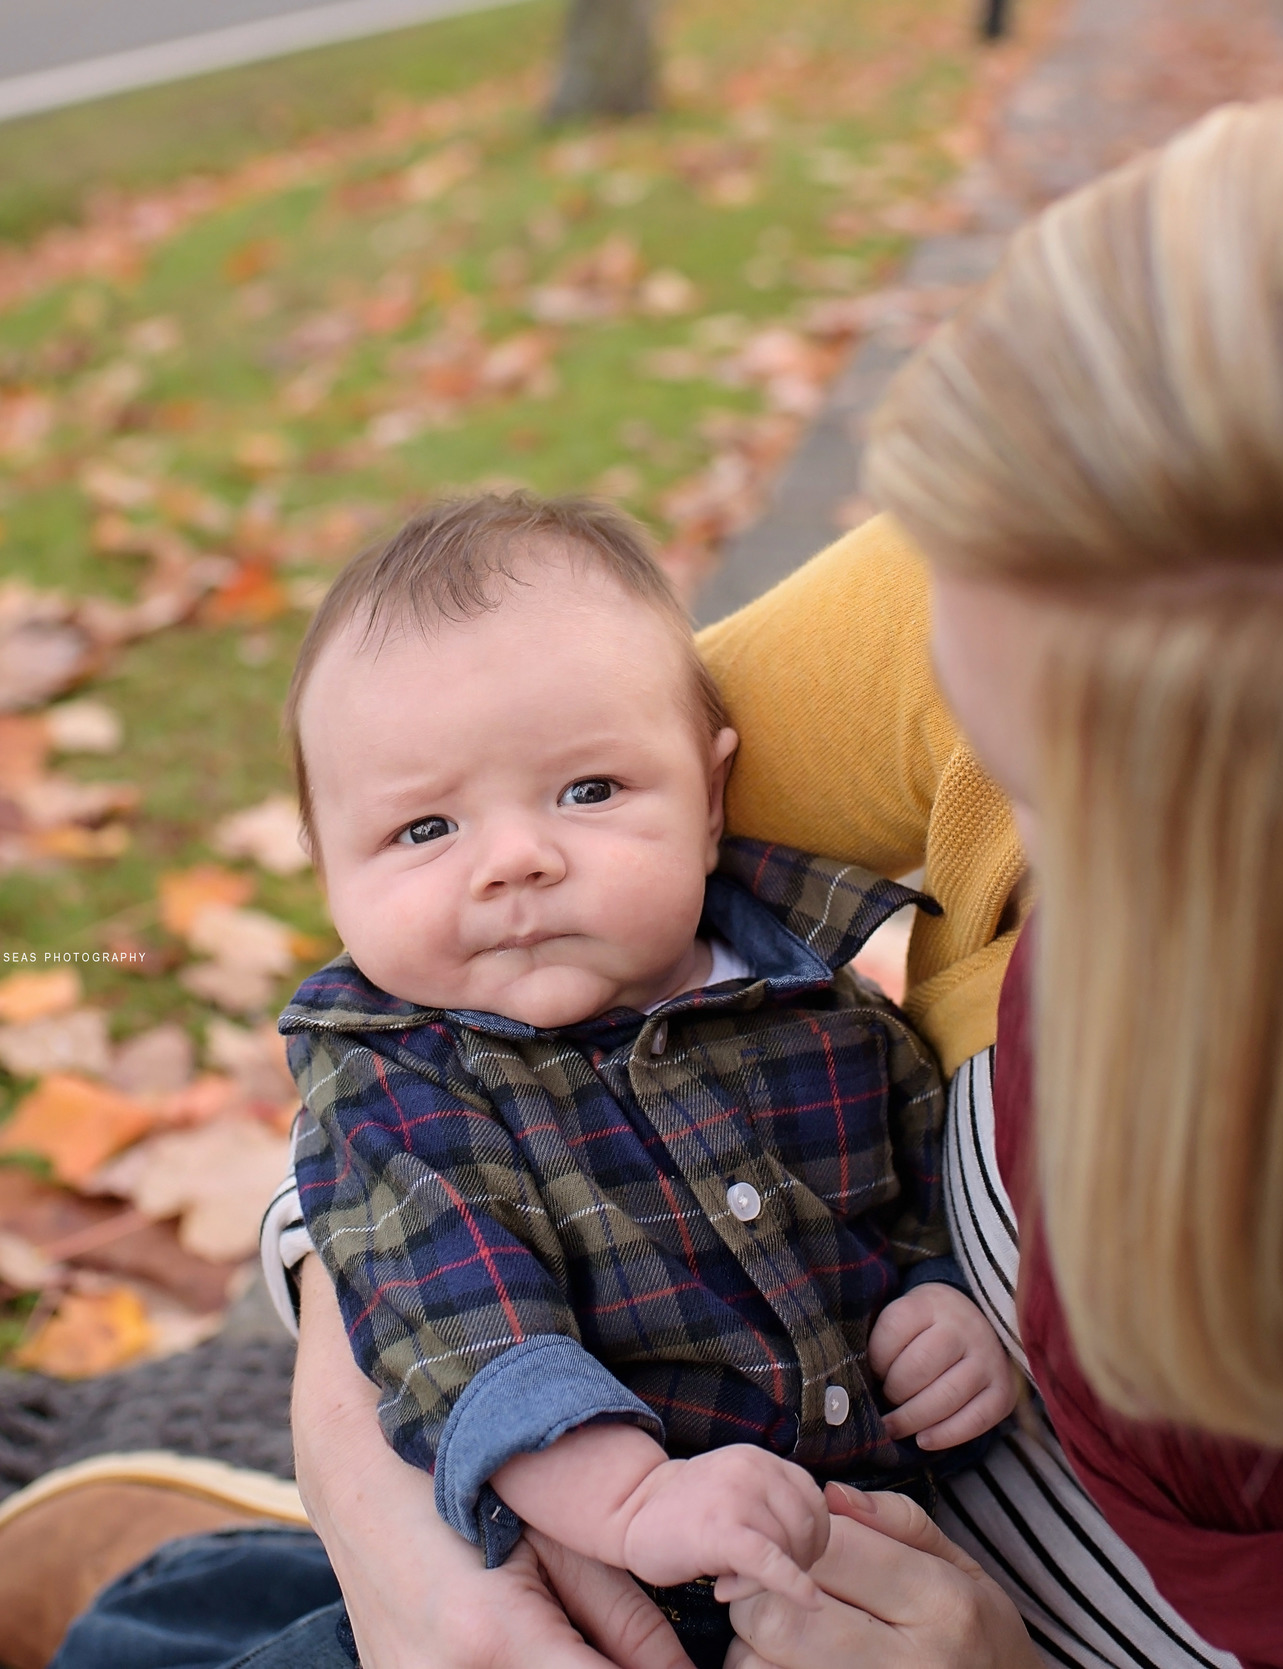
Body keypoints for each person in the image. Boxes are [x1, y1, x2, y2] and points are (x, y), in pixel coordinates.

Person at [0, 50, 1283, 1669]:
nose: (1005, 841)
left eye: (1080, 820)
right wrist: (400, 1515)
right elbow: (443, 1017)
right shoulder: (1109, 565)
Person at [279, 492, 1014, 1664]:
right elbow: (467, 1329)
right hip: (596, 1585)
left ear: (712, 797)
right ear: (325, 868)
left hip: (880, 1572)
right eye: (425, 829)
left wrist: (939, 1298)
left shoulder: (809, 989)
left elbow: (911, 1163)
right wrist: (629, 1503)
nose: (516, 858)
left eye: (588, 792)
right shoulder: (402, 1084)